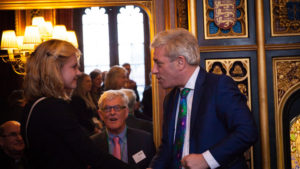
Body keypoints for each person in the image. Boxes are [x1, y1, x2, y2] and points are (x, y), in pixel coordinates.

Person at [149, 28, 258, 169]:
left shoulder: (218, 86)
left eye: (159, 63)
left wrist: (206, 159)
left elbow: (247, 131)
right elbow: (168, 147)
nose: (154, 70)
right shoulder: (171, 99)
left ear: (180, 62)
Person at [21, 39, 136, 169]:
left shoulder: (33, 105)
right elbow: (91, 155)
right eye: (74, 67)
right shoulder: (54, 107)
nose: (79, 73)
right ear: (55, 69)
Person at [91, 90, 156, 169]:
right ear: (101, 115)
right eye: (107, 109)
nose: (112, 112)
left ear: (126, 112)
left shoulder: (145, 140)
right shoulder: (93, 143)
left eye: (117, 108)